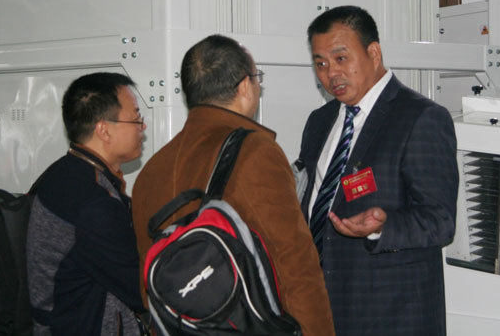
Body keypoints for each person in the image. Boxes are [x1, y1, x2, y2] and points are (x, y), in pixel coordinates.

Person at [132, 34, 335, 336]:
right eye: (257, 78)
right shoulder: (255, 152)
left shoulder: (149, 172)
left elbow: (148, 283)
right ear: (244, 86)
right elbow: (295, 267)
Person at [299, 6, 458, 336]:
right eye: (321, 63)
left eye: (341, 58)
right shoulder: (319, 122)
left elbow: (440, 221)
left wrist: (382, 228)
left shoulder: (421, 118)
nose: (331, 73)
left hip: (390, 315)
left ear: (373, 53)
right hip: (321, 308)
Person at [27, 72, 146, 335]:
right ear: (104, 130)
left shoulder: (67, 172)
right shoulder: (92, 201)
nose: (142, 126)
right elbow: (140, 290)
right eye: (136, 117)